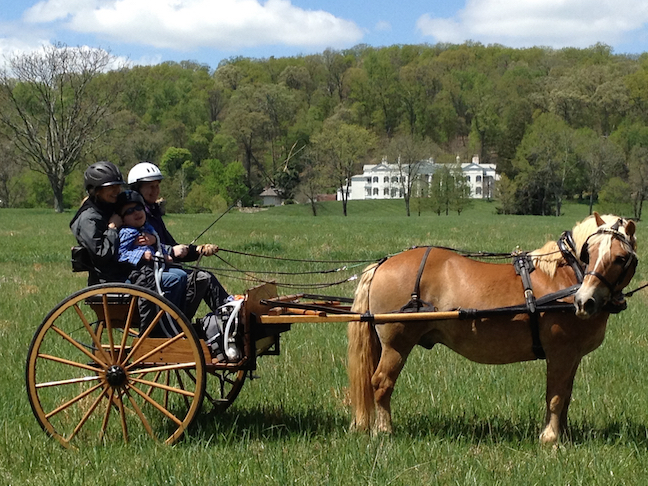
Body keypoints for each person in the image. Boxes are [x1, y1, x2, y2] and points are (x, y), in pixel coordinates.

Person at [70, 161, 187, 336]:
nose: (117, 191)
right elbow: (102, 254)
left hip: (126, 272)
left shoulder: (105, 209)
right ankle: (157, 333)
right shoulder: (88, 219)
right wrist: (112, 229)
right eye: (111, 187)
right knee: (174, 279)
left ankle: (171, 327)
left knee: (181, 274)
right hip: (111, 280)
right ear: (95, 190)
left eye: (118, 186)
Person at [127, 161, 229, 319]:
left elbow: (172, 246)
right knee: (203, 278)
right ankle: (177, 325)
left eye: (157, 186)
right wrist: (169, 250)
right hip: (146, 274)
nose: (156, 191)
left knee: (204, 277)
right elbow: (147, 250)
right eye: (150, 187)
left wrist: (198, 250)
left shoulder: (153, 214)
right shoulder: (135, 217)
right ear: (137, 189)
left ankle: (226, 314)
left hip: (160, 269)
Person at [115, 190, 188, 316]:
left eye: (139, 208)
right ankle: (165, 318)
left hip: (153, 269)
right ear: (123, 220)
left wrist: (164, 254)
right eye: (129, 211)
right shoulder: (126, 233)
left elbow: (157, 245)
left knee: (182, 275)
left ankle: (176, 316)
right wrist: (141, 256)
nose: (136, 212)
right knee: (177, 277)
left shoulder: (147, 228)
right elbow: (120, 254)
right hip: (137, 273)